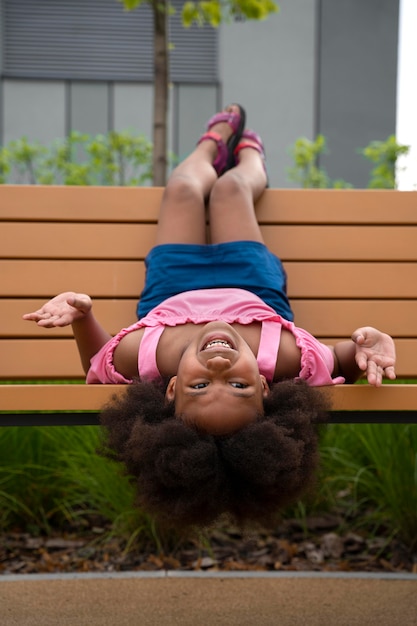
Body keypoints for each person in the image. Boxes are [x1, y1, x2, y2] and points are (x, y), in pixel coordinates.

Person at [23, 104, 396, 528]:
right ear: (265, 387)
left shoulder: (146, 359)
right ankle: (251, 156)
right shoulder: (288, 359)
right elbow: (344, 357)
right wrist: (370, 344)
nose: (219, 367)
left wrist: (80, 316)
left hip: (172, 287)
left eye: (200, 385)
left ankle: (213, 141)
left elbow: (97, 361)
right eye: (238, 385)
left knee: (182, 190)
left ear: (171, 389)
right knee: (231, 191)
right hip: (252, 285)